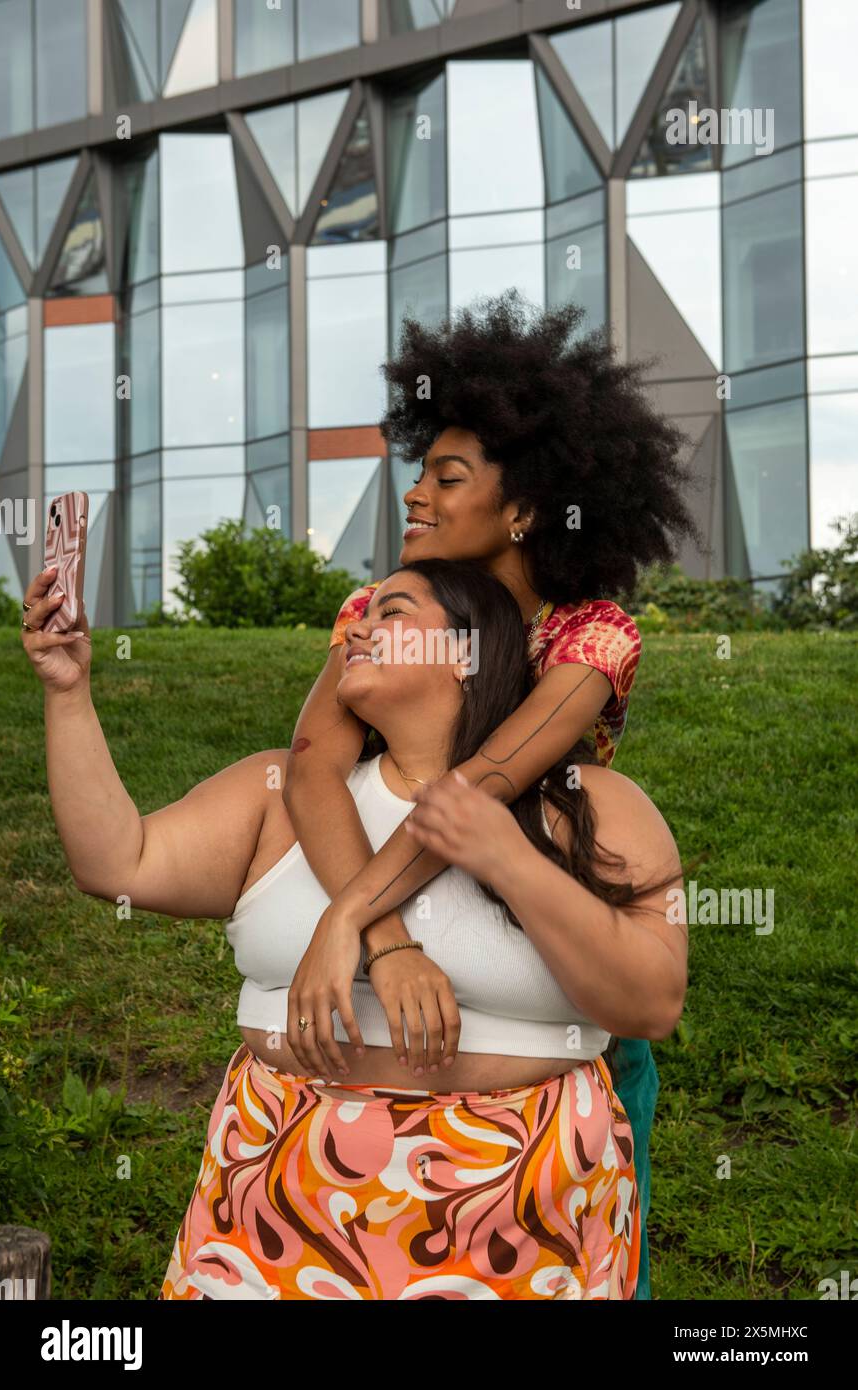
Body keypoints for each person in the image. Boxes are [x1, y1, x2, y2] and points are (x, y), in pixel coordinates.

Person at [20, 556, 686, 1300]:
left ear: (466, 654)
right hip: (275, 1215)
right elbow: (117, 863)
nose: (359, 628)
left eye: (391, 613)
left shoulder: (590, 804)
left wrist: (503, 853)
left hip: (519, 1222)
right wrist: (68, 692)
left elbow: (651, 1002)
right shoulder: (278, 794)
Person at [280, 290, 702, 1299]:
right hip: (387, 1016)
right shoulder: (370, 612)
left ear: (521, 508)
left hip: (558, 994)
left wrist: (344, 914)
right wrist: (381, 939)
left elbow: (487, 781)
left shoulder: (588, 636)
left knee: (589, 1258)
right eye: (421, 468)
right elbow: (307, 767)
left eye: (448, 475)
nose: (416, 492)